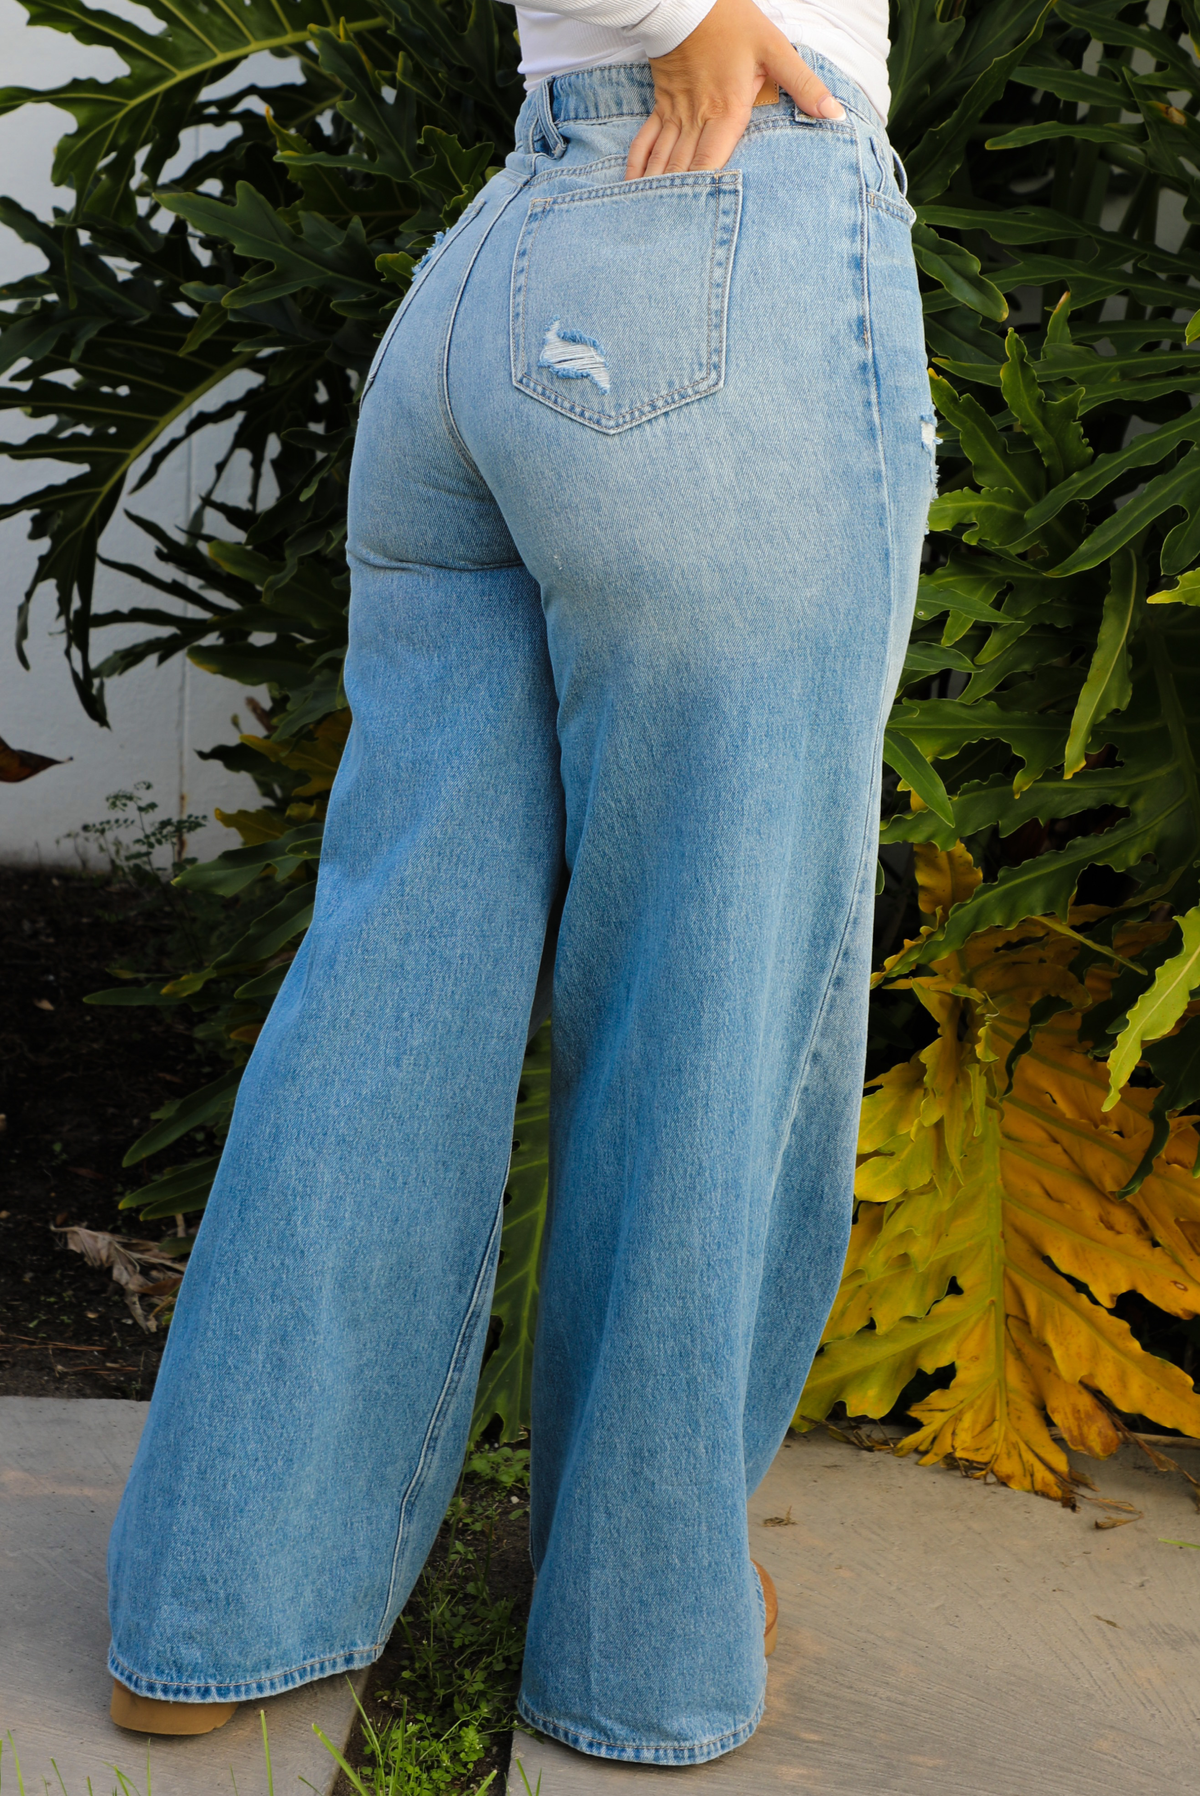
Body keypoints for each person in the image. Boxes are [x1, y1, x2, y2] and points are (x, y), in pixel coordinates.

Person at [106, 0, 928, 1762]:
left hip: (507, 267)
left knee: (389, 992)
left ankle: (212, 1610)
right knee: (713, 992)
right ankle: (640, 1648)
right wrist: (688, 19)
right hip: (730, 231)